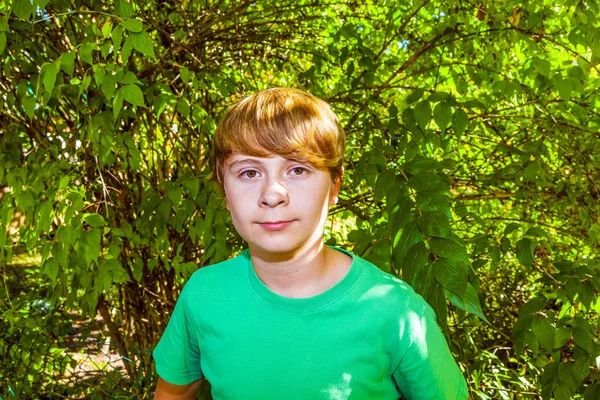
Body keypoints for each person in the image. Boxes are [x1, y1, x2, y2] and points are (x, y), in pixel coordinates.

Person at [153, 88, 468, 400]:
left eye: (298, 169)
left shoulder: (397, 312)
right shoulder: (204, 294)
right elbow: (173, 393)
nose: (272, 193)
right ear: (224, 190)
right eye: (249, 172)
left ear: (334, 187)